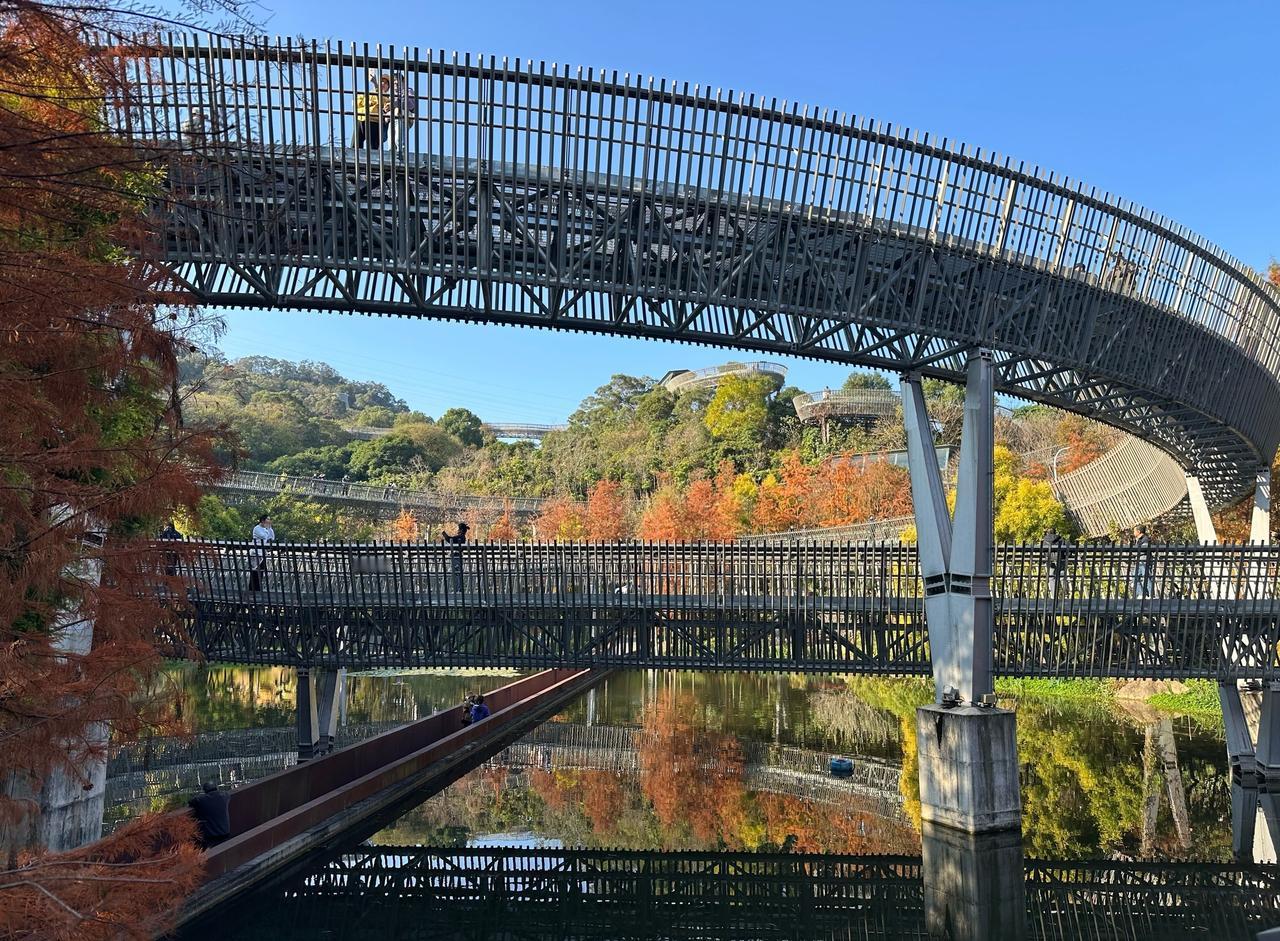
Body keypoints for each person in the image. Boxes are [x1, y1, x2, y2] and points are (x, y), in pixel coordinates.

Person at [188, 781, 231, 849]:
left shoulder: (202, 800)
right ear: (216, 788)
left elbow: (191, 801)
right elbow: (227, 794)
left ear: (205, 791)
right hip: (225, 833)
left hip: (211, 837)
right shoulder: (225, 796)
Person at [354, 69, 385, 149]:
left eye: (386, 83)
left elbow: (382, 103)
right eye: (382, 81)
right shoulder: (365, 94)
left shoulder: (386, 97)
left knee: (373, 148)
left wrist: (375, 84)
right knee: (355, 146)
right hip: (361, 119)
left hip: (375, 122)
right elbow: (355, 103)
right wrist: (369, 103)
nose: (383, 84)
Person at [249, 513, 275, 593]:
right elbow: (264, 536)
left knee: (261, 572)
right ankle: (252, 590)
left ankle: (258, 590)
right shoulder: (257, 528)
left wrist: (269, 528)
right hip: (255, 553)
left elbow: (272, 537)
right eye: (267, 519)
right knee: (255, 572)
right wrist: (267, 530)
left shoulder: (266, 529)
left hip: (262, 554)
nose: (269, 521)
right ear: (263, 520)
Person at [1042, 526, 1069, 598]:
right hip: (1061, 559)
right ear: (1055, 532)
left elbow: (1043, 551)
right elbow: (1068, 549)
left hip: (1050, 561)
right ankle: (1065, 593)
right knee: (1062, 576)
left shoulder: (1044, 541)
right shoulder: (1061, 539)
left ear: (1047, 533)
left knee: (1051, 577)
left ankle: (1054, 595)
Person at [441, 522, 469, 592]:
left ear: (461, 530)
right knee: (457, 573)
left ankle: (458, 590)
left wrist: (443, 533)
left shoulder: (460, 537)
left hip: (456, 557)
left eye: (458, 529)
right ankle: (458, 589)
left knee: (457, 573)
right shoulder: (462, 537)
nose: (457, 530)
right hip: (457, 556)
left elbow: (449, 539)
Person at [1132, 524, 1153, 599]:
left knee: (1146, 577)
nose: (1133, 533)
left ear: (1138, 531)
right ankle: (1141, 594)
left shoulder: (1145, 539)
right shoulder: (1137, 540)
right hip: (1139, 561)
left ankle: (1151, 594)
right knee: (1134, 577)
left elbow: (1144, 549)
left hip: (1145, 560)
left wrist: (1135, 552)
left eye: (1134, 531)